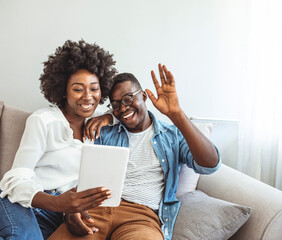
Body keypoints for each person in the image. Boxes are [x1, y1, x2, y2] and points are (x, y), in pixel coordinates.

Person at [51, 64, 221, 240]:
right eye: (116, 104)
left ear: (144, 96)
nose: (123, 108)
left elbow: (210, 165)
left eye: (128, 99)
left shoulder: (172, 136)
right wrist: (70, 211)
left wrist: (177, 114)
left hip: (141, 218)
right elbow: (76, 176)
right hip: (96, 212)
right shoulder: (103, 131)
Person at [0, 39, 118, 239]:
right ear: (63, 90)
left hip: (55, 216)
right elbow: (15, 180)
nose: (88, 96)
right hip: (16, 203)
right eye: (78, 89)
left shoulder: (98, 124)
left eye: (94, 88)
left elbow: (130, 111)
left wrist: (109, 116)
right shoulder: (43, 121)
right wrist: (59, 203)